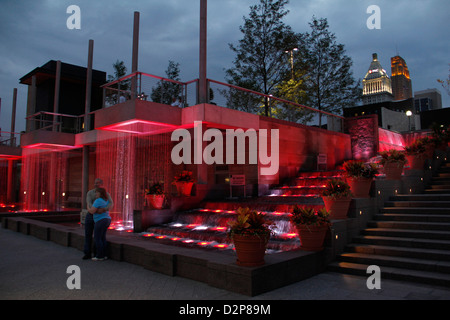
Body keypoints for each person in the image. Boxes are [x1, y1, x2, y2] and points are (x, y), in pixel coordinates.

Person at [82, 178, 113, 260]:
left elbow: (111, 203)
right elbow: (89, 202)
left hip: (99, 216)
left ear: (102, 184)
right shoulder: (90, 193)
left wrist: (104, 209)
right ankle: (88, 253)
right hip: (91, 215)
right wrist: (95, 209)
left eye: (98, 183)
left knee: (98, 236)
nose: (96, 184)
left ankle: (98, 254)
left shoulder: (105, 194)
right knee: (88, 234)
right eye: (95, 183)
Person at [88, 187, 111, 261]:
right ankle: (105, 255)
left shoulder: (98, 201)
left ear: (100, 193)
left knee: (97, 238)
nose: (95, 194)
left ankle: (99, 255)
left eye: (97, 192)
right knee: (102, 237)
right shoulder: (106, 201)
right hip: (107, 220)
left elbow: (91, 211)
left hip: (100, 220)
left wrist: (88, 207)